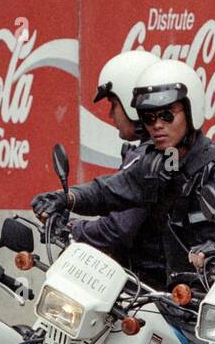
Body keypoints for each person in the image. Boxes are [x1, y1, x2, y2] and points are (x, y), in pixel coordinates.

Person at [32, 58, 215, 287]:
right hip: (171, 302)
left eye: (167, 116)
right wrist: (65, 198)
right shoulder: (156, 165)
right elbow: (107, 191)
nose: (157, 125)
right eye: (148, 117)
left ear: (191, 111)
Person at [69, 50, 166, 287]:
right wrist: (69, 200)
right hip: (142, 281)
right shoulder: (146, 153)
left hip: (154, 288)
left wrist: (73, 229)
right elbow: (107, 193)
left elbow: (119, 228)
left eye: (113, 103)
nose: (110, 114)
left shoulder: (152, 157)